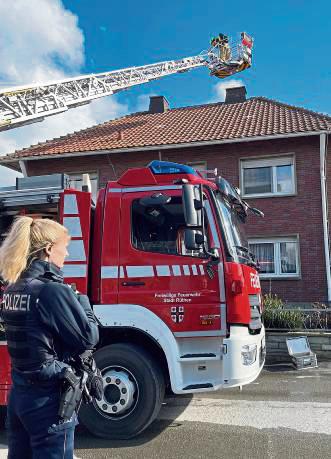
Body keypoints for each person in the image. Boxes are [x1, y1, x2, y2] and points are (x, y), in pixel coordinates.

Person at [0, 217, 100, 459]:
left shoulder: (14, 288)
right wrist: (82, 301)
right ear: (48, 250)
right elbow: (88, 337)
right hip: (47, 401)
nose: (66, 253)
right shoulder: (51, 290)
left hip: (19, 398)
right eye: (64, 246)